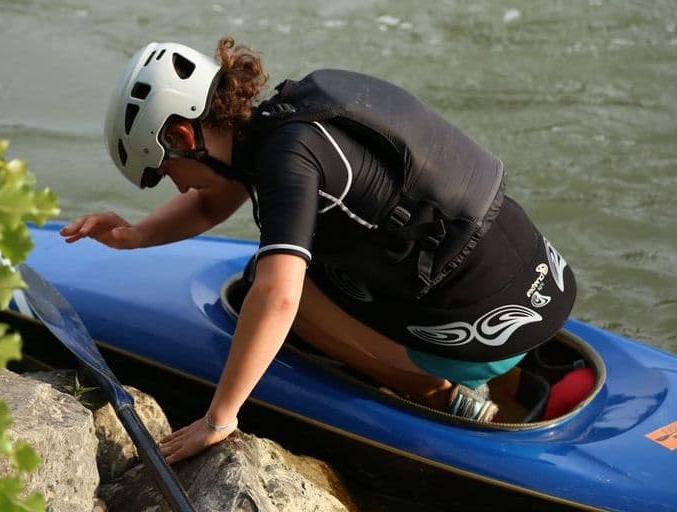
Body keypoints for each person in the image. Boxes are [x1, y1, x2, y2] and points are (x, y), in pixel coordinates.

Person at [60, 37, 576, 463]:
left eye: (164, 171)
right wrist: (133, 236)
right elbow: (212, 199)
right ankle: (518, 389)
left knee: (280, 293)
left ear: (180, 132)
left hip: (487, 327)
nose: (175, 187)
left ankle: (442, 395)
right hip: (541, 281)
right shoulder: (293, 112)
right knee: (302, 268)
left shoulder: (289, 161)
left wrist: (218, 420)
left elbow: (279, 300)